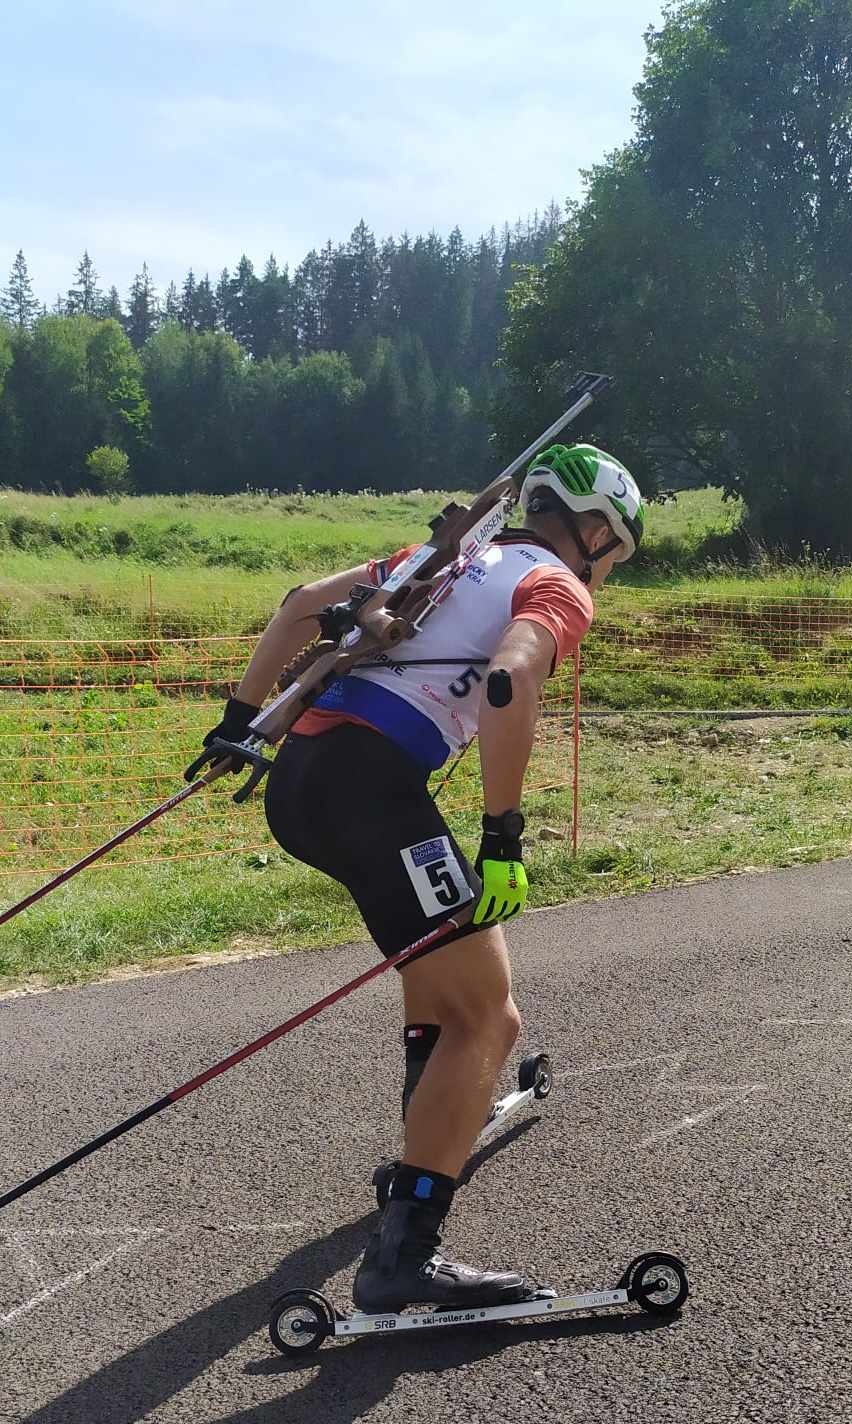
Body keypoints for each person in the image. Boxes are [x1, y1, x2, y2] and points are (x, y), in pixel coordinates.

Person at [199, 443, 644, 1312]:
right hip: (371, 793)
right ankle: (405, 1256)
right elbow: (509, 681)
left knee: (437, 967)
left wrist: (239, 719)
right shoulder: (556, 584)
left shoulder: (445, 556)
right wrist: (502, 838)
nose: (606, 569)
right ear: (594, 532)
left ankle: (430, 1135)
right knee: (490, 1016)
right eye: (613, 553)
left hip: (301, 783)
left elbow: (299, 605)